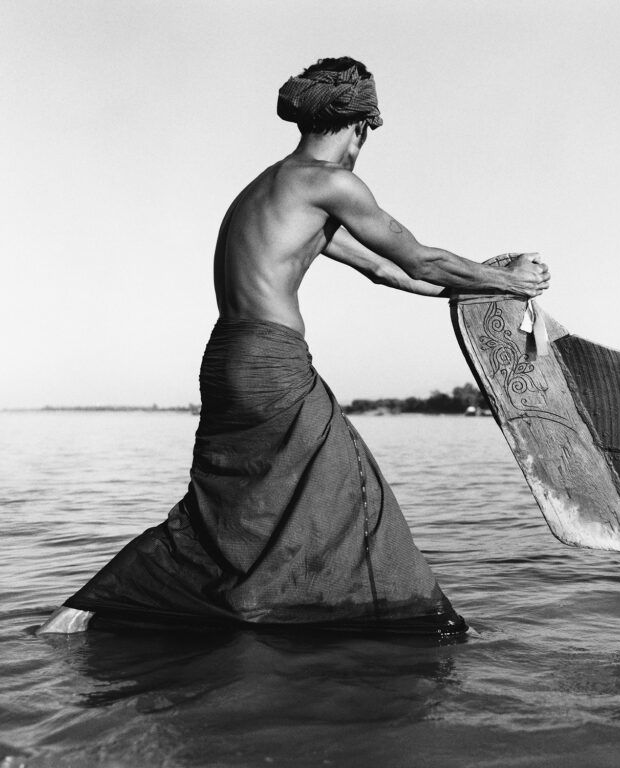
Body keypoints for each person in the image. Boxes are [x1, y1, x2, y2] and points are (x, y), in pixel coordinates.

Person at [39, 56, 549, 637]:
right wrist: (515, 283)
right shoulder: (333, 182)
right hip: (271, 360)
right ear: (360, 127)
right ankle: (412, 634)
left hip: (228, 357)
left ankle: (77, 617)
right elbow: (419, 258)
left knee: (222, 504)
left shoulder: (274, 187)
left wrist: (484, 277)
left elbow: (391, 273)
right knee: (353, 491)